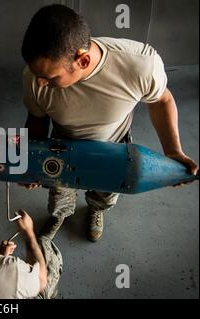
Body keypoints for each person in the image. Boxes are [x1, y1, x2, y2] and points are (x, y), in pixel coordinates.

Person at [20, 4, 198, 242]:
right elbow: (37, 119)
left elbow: (161, 100)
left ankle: (95, 209)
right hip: (62, 146)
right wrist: (30, 162)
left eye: (50, 78)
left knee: (105, 194)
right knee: (59, 192)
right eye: (38, 76)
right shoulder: (33, 79)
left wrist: (173, 150)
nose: (40, 83)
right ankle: (59, 215)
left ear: (82, 61)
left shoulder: (140, 65)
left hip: (114, 148)